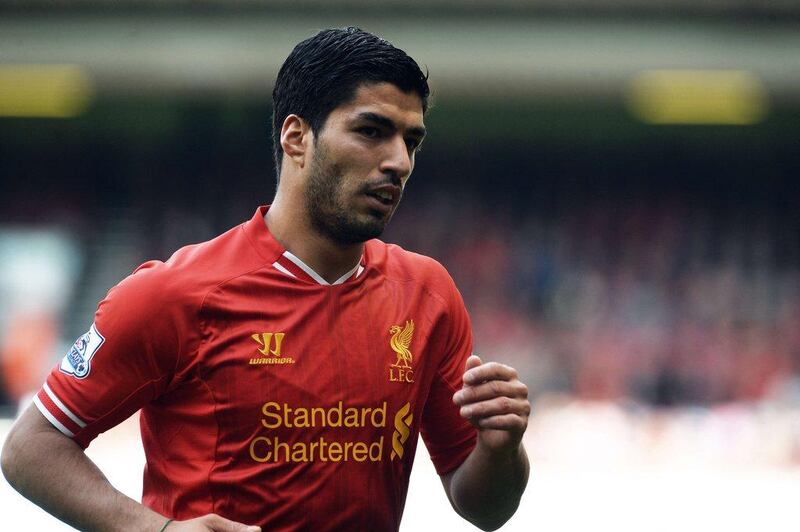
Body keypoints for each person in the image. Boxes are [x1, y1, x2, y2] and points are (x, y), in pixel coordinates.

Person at [2, 27, 530, 531]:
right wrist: (155, 529)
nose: (399, 161)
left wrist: (501, 447)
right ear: (298, 137)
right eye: (372, 131)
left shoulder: (427, 295)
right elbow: (31, 447)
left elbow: (484, 509)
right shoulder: (174, 293)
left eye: (411, 141)